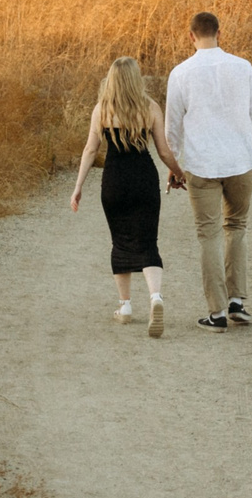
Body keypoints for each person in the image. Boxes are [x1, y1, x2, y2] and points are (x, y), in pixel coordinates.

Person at [163, 10, 252, 332]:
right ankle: (238, 300)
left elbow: (171, 132)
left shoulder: (181, 73)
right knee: (237, 227)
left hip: (201, 165)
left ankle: (216, 313)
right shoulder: (243, 67)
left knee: (208, 234)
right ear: (219, 33)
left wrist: (174, 168)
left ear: (191, 36)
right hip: (241, 161)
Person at [68, 56, 187, 337]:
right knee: (147, 240)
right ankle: (155, 297)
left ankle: (125, 306)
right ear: (137, 79)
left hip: (115, 181)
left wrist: (78, 186)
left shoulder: (102, 110)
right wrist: (179, 173)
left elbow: (89, 150)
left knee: (120, 240)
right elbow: (164, 151)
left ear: (112, 79)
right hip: (143, 179)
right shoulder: (150, 108)